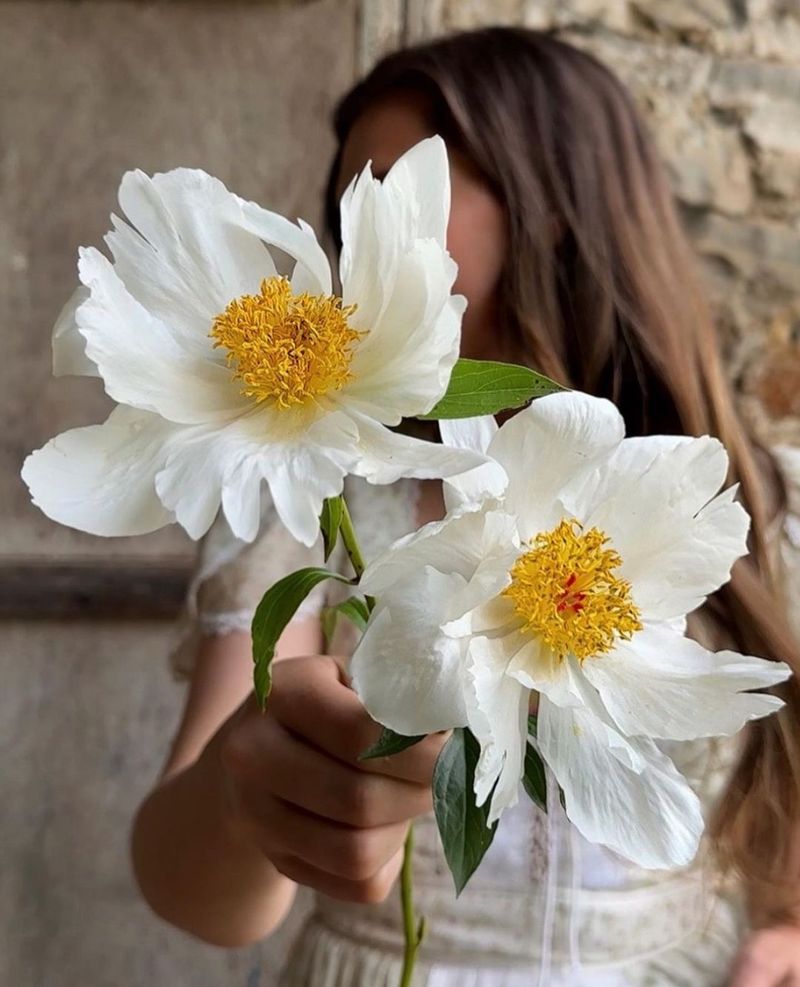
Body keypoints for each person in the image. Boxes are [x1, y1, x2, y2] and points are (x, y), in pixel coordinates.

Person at [131, 27, 800, 987]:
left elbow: (782, 779)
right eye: (352, 205)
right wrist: (249, 800)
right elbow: (193, 893)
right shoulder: (311, 489)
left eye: (414, 191)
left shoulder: (744, 498)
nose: (366, 239)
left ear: (558, 206)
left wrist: (790, 920)